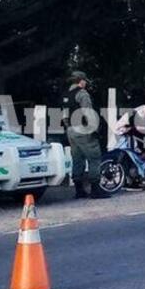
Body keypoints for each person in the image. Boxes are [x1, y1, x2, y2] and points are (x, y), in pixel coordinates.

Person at [61, 71, 109, 199]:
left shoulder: (66, 95)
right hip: (82, 128)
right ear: (81, 81)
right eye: (85, 81)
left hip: (71, 129)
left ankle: (79, 190)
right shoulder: (82, 94)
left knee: (77, 159)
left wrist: (69, 128)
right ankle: (95, 190)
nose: (86, 83)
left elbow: (64, 116)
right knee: (94, 157)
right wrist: (93, 128)